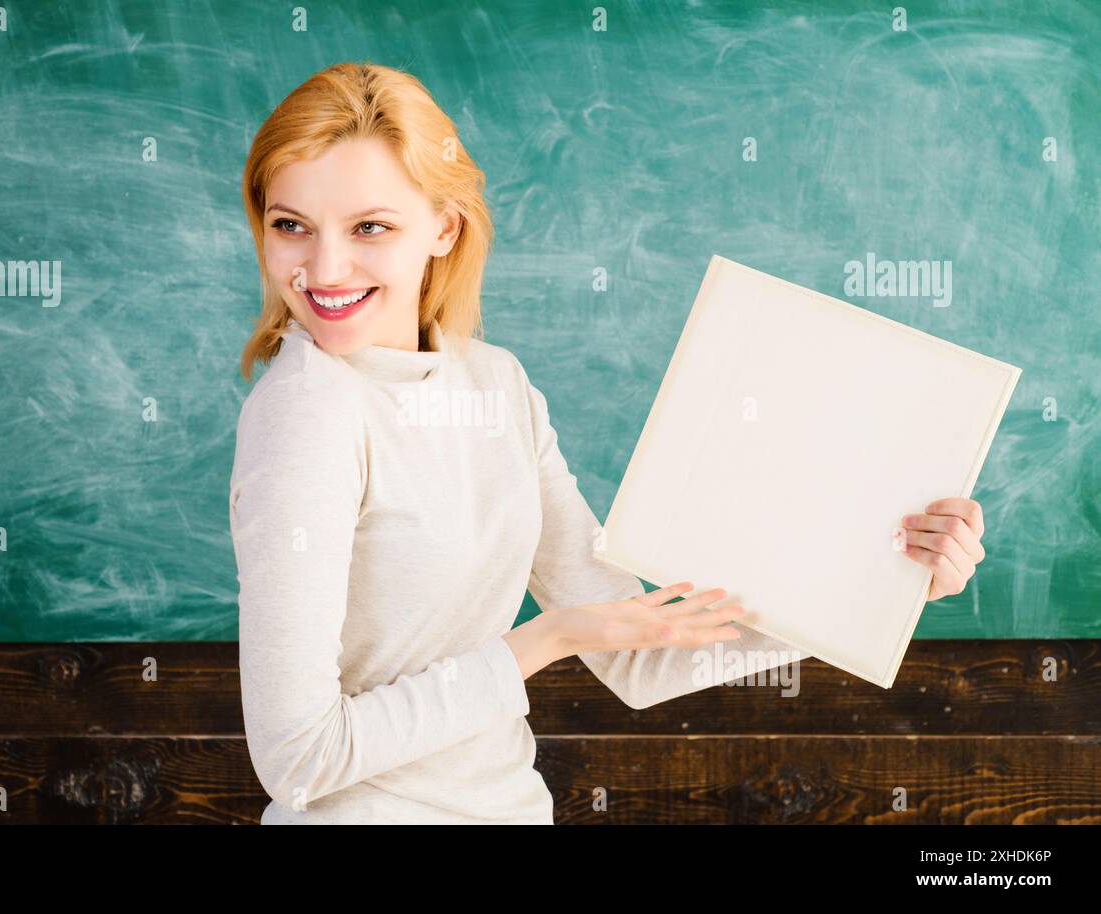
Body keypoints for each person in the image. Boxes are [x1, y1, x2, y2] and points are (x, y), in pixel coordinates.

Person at [229, 61, 987, 824]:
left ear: (443, 226)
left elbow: (638, 651)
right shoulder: (305, 415)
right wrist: (541, 642)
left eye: (370, 228)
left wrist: (882, 585)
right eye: (291, 224)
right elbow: (299, 758)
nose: (324, 268)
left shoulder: (496, 387)